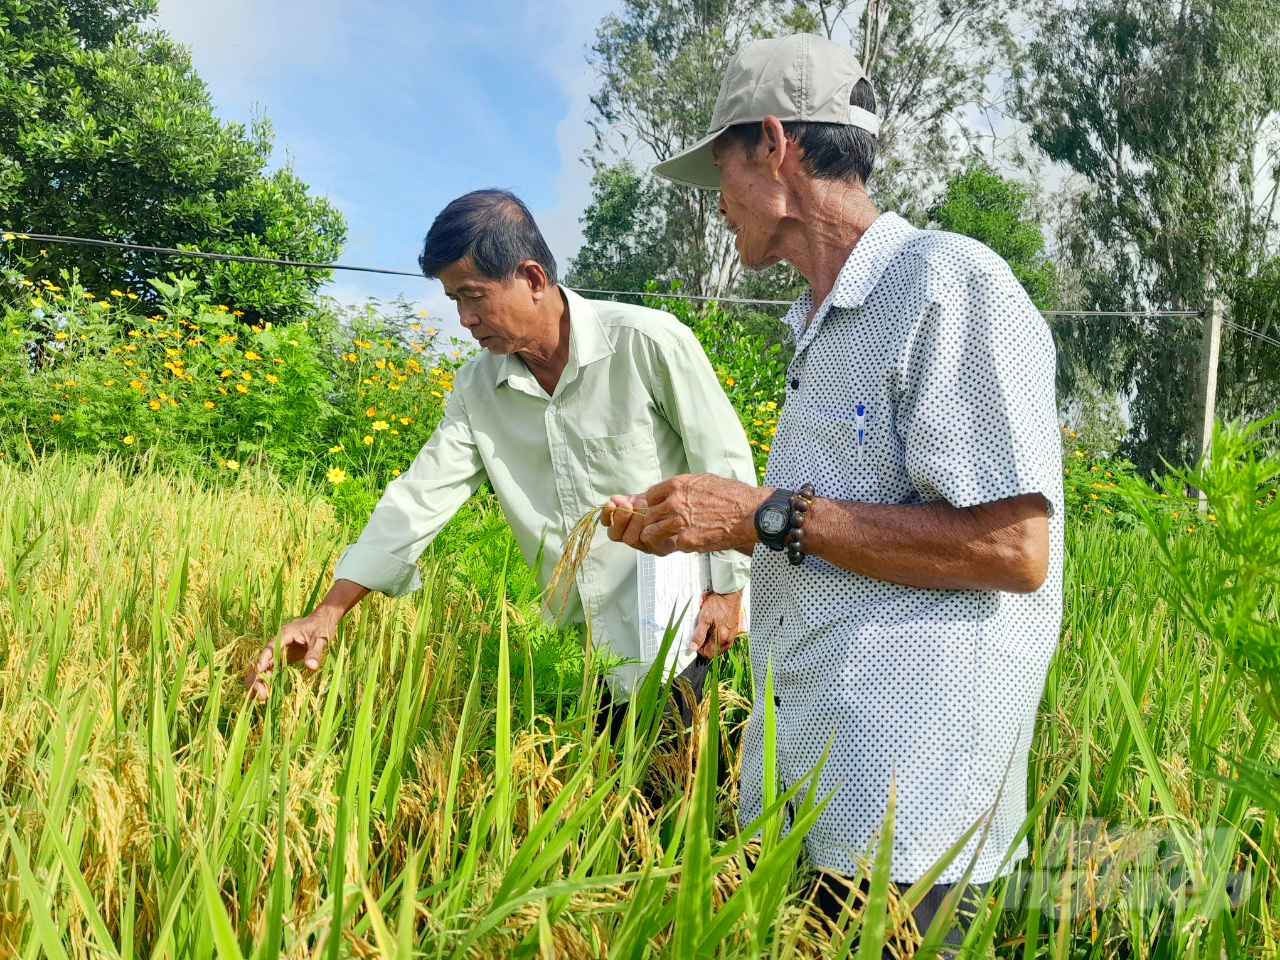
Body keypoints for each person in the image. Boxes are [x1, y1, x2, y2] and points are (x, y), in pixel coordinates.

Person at [602, 33, 1063, 950]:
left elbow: (1014, 550)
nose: (718, 205)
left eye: (720, 169)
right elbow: (827, 530)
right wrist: (725, 522)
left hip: (912, 825)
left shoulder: (947, 283)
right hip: (815, 782)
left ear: (775, 146)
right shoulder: (816, 320)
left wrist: (760, 514)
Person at [246, 189, 755, 729]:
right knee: (598, 799)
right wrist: (328, 612)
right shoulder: (477, 389)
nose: (464, 319)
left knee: (687, 795)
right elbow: (420, 497)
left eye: (473, 296)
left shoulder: (647, 344)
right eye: (454, 301)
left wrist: (730, 592)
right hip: (577, 657)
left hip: (682, 637)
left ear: (533, 279)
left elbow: (723, 466)